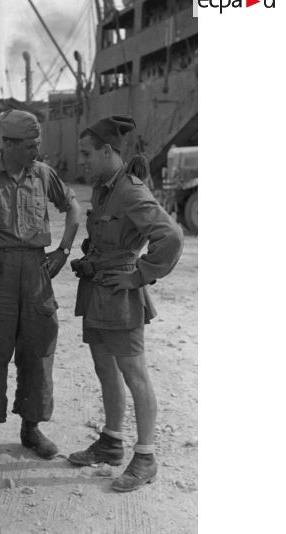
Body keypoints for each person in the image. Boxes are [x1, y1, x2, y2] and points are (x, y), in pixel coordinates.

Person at [68, 115, 183, 492]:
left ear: (107, 150)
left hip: (121, 294)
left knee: (135, 374)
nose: (82, 160)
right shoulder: (103, 189)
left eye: (87, 153)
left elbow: (170, 237)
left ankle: (146, 457)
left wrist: (139, 274)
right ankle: (111, 442)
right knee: (105, 369)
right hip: (98, 290)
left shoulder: (131, 190)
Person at [0, 109, 81, 467]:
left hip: (36, 272)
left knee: (38, 351)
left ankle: (31, 428)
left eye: (38, 145)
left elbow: (73, 205)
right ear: (9, 144)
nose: (37, 152)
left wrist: (63, 249)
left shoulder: (43, 174)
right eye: (31, 146)